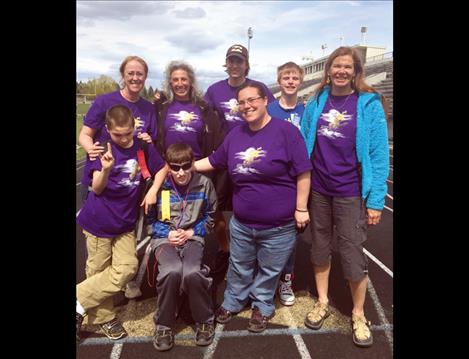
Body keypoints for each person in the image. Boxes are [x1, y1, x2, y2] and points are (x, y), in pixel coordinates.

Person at [195, 82, 312, 333]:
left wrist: (301, 208)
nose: (247, 106)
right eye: (242, 102)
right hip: (243, 223)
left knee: (269, 270)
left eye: (252, 100)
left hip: (279, 226)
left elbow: (303, 172)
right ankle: (233, 300)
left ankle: (262, 305)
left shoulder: (287, 132)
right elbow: (215, 161)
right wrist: (185, 166)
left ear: (265, 100)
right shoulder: (236, 134)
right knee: (239, 265)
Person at [300, 46, 389, 348]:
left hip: (351, 192)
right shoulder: (316, 102)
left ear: (355, 71)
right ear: (328, 70)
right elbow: (303, 143)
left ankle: (358, 313)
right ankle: (323, 302)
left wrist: (376, 200)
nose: (340, 71)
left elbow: (378, 156)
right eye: (336, 66)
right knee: (320, 248)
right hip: (320, 191)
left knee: (352, 254)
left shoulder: (368, 104)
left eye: (347, 67)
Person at [76, 105, 165, 342]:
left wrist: (153, 190)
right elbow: (96, 188)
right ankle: (105, 318)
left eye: (128, 133)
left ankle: (78, 301)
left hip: (125, 222)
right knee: (97, 271)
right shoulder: (100, 149)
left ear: (134, 127)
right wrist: (105, 169)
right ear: (108, 130)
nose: (125, 139)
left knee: (127, 267)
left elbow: (162, 168)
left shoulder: (142, 145)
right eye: (118, 134)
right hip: (98, 223)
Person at [203, 44, 276, 288]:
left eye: (239, 61)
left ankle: (252, 251)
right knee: (219, 208)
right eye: (231, 61)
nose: (235, 65)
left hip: (253, 155)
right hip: (225, 157)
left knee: (251, 204)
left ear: (246, 64)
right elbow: (201, 116)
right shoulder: (214, 90)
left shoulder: (258, 88)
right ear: (226, 63)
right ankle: (226, 249)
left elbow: (272, 115)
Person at [146, 142, 217, 351]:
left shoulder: (205, 184)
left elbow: (210, 217)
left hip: (193, 238)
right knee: (172, 271)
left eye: (186, 166)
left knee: (192, 273)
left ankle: (205, 319)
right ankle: (164, 324)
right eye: (175, 167)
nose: (181, 172)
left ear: (192, 164)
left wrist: (192, 232)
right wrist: (167, 234)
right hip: (164, 240)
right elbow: (149, 222)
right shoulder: (158, 188)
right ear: (168, 166)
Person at [78, 55, 157, 201]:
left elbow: (151, 140)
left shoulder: (149, 108)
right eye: (130, 73)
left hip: (128, 185)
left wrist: (148, 139)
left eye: (139, 74)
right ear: (123, 75)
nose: (135, 78)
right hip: (100, 180)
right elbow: (84, 135)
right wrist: (91, 149)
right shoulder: (104, 102)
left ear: (145, 77)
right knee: (92, 222)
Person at [267, 61, 305, 307]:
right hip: (273, 180)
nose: (290, 82)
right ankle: (266, 278)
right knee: (268, 232)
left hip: (297, 179)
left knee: (291, 235)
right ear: (279, 81)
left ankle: (286, 279)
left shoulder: (307, 110)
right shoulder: (269, 109)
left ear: (300, 82)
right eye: (286, 78)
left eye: (294, 78)